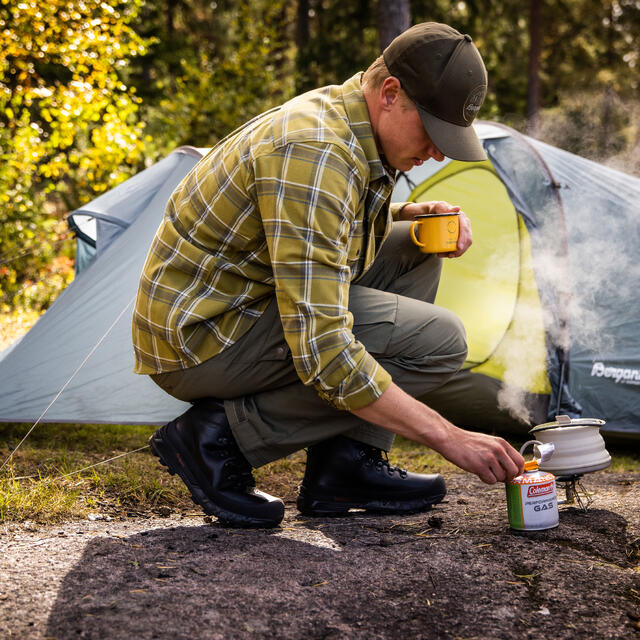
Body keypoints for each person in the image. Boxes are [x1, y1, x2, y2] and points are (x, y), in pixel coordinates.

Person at [132, 22, 525, 528]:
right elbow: (323, 349)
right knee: (439, 342)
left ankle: (347, 465)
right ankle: (216, 440)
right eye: (431, 130)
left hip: (242, 304)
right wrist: (448, 436)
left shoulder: (345, 122)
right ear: (389, 94)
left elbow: (315, 229)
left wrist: (404, 213)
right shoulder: (315, 150)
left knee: (420, 244)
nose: (439, 152)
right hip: (205, 336)